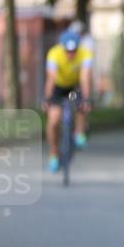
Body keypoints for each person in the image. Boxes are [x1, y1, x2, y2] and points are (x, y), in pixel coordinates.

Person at [44, 30, 93, 173]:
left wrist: (87, 98)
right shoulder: (54, 53)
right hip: (58, 88)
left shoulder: (86, 54)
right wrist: (47, 97)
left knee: (81, 103)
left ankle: (79, 132)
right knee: (53, 121)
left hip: (73, 89)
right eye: (68, 50)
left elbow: (85, 78)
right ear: (62, 47)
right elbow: (51, 78)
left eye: (74, 50)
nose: (71, 54)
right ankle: (54, 155)